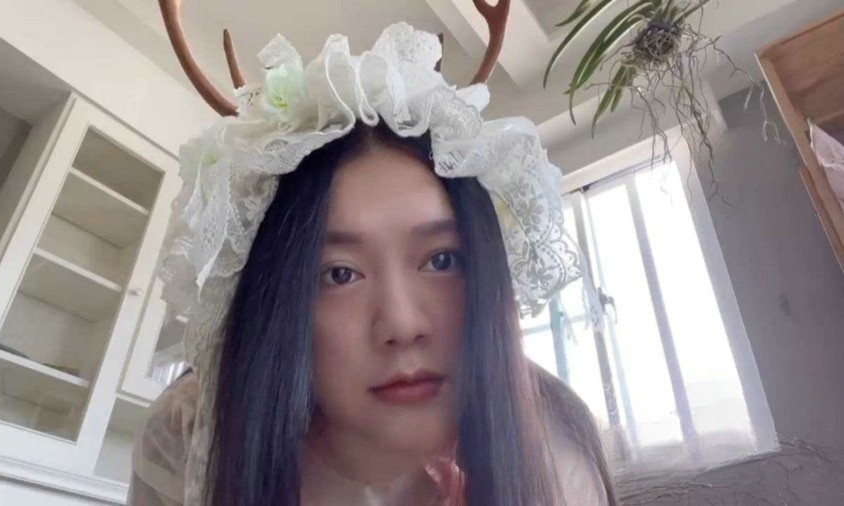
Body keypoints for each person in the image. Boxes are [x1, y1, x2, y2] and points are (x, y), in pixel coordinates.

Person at [129, 23, 617, 506]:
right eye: (339, 274)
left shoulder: (555, 441)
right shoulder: (188, 436)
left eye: (442, 260)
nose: (402, 325)